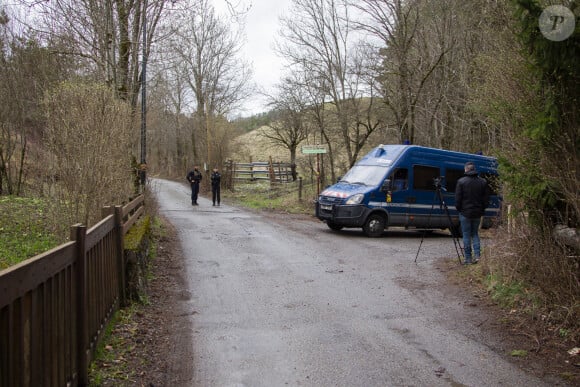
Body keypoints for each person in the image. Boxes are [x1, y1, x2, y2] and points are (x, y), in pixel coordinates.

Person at [455, 161, 490, 265]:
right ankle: (478, 256)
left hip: (465, 213)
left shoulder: (461, 182)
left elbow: (458, 199)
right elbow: (486, 199)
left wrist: (459, 209)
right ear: (474, 169)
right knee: (475, 234)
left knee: (466, 235)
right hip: (477, 213)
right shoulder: (483, 182)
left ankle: (468, 258)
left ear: (466, 169)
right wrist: (482, 209)